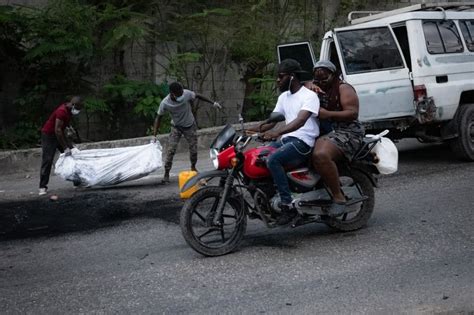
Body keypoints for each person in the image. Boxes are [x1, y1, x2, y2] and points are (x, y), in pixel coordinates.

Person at [248, 59, 320, 225]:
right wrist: (249, 130)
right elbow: (271, 121)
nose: (277, 80)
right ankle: (267, 201)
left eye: (281, 76)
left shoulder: (309, 96)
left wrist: (276, 133)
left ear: (292, 77)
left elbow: (300, 121)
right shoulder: (283, 98)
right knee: (258, 157)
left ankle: (287, 206)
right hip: (287, 140)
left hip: (303, 142)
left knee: (274, 159)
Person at [308, 60, 365, 217]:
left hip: (347, 131)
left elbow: (352, 112)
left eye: (324, 76)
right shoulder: (316, 87)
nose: (320, 81)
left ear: (333, 75)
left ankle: (339, 198)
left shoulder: (343, 88)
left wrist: (329, 114)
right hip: (326, 131)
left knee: (320, 155)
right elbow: (302, 86)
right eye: (317, 77)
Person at [153, 82, 222, 184]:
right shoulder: (165, 103)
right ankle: (166, 173)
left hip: (190, 125)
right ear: (172, 94)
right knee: (171, 150)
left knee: (193, 150)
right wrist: (154, 135)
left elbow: (198, 95)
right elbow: (158, 117)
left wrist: (213, 103)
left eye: (182, 91)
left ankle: (193, 167)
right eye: (179, 93)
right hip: (176, 127)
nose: (182, 94)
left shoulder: (186, 93)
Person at [39, 96, 83, 196]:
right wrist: (66, 147)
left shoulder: (69, 110)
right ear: (74, 105)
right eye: (78, 109)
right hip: (49, 135)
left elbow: (62, 127)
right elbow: (57, 130)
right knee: (48, 160)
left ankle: (77, 183)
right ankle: (42, 187)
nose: (78, 111)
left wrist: (69, 128)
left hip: (60, 134)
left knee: (73, 155)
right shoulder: (61, 111)